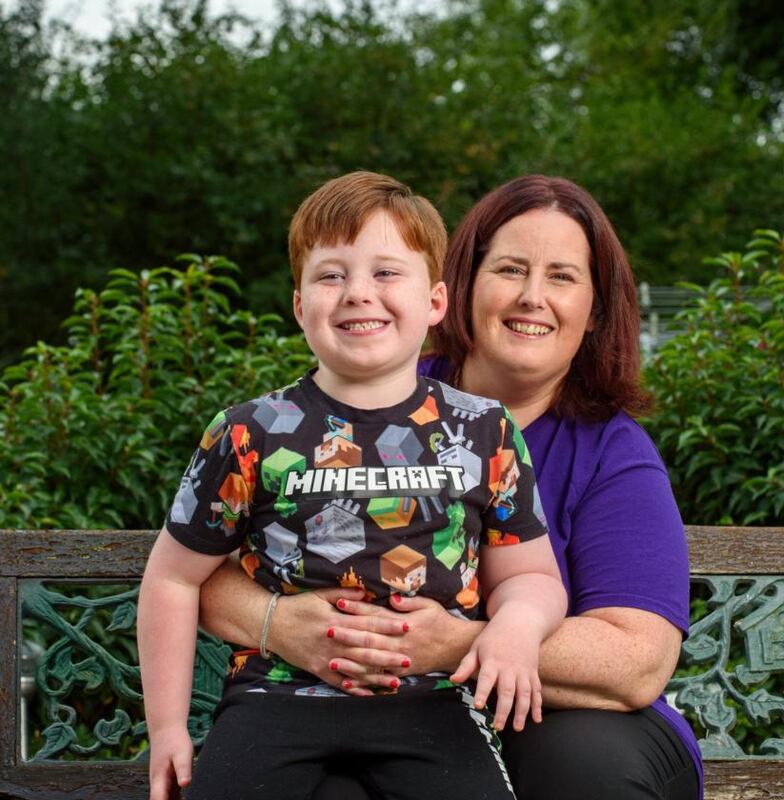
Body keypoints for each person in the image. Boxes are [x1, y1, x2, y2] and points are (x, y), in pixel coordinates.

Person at [198, 174, 703, 800]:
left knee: (577, 765)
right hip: (370, 709)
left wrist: (456, 642)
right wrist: (284, 623)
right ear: (459, 287)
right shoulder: (373, 381)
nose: (532, 297)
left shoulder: (612, 453)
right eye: (511, 269)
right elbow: (201, 569)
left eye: (563, 277)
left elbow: (636, 663)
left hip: (573, 719)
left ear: (596, 310)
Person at [137, 171, 567, 800]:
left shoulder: (482, 430)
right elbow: (173, 578)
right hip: (272, 699)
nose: (357, 294)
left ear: (436, 302)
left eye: (387, 273)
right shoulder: (249, 431)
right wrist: (167, 728)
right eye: (331, 275)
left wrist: (516, 628)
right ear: (299, 304)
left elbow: (532, 576)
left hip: (433, 702)